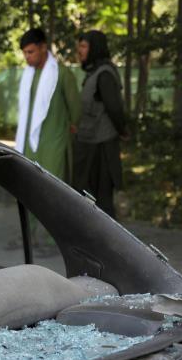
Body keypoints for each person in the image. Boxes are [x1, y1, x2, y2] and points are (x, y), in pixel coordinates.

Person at [73, 30, 127, 218]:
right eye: (79, 46)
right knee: (87, 197)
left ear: (95, 48)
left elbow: (114, 108)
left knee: (103, 201)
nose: (79, 51)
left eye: (84, 46)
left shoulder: (104, 74)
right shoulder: (93, 73)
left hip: (103, 147)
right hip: (89, 145)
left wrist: (122, 130)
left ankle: (107, 244)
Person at [15, 28, 81, 182]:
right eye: (25, 53)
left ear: (43, 47)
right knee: (30, 189)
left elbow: (76, 111)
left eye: (30, 52)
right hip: (28, 146)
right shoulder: (27, 76)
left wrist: (68, 128)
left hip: (54, 147)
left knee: (54, 191)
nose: (27, 57)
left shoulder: (62, 74)